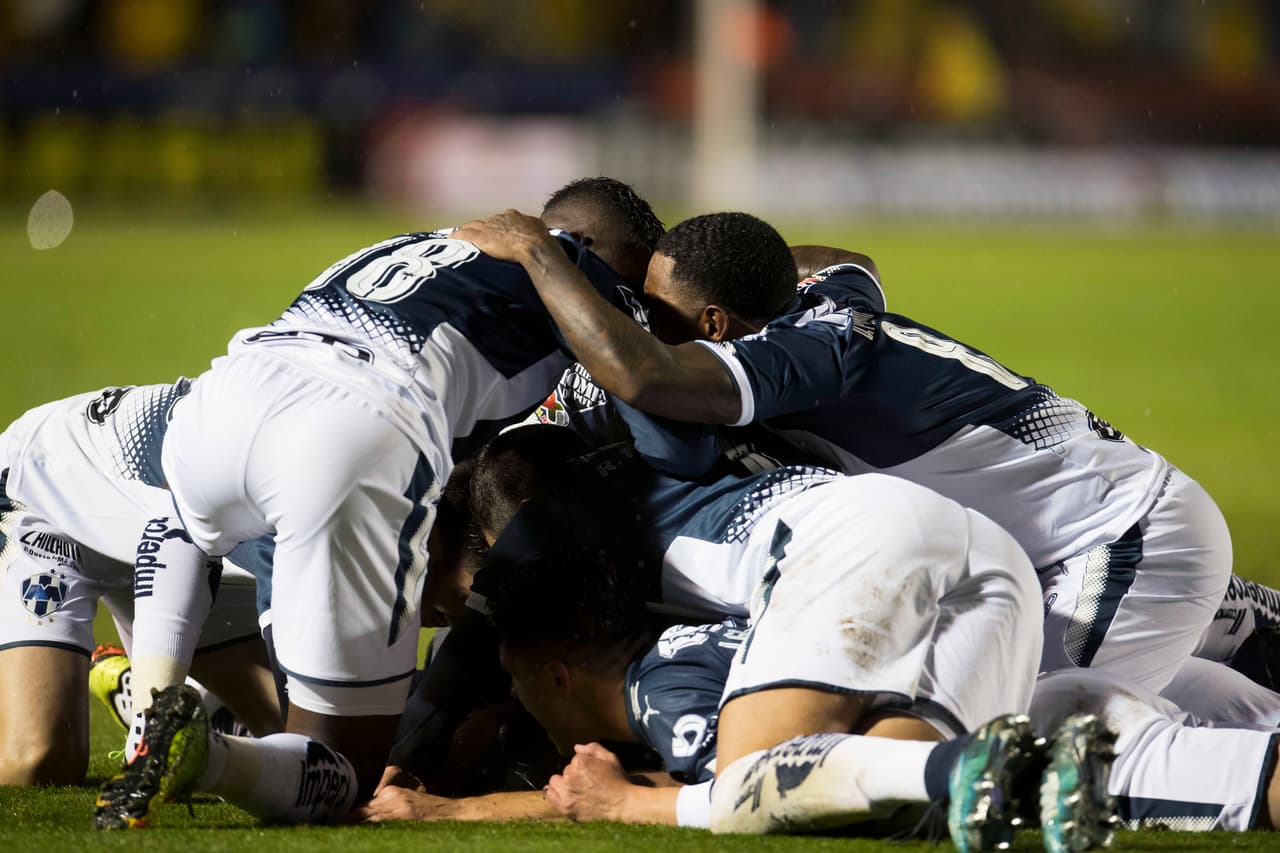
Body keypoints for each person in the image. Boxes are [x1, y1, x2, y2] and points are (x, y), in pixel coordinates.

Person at [454, 209, 1233, 704]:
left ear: (719, 324)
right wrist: (738, 265)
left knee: (1018, 746)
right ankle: (1228, 647)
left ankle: (1235, 662)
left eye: (662, 313)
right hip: (1075, 536)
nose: (651, 325)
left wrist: (539, 254)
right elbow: (850, 255)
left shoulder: (797, 360)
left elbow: (644, 374)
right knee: (975, 705)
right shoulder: (829, 295)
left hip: (1125, 541)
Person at [92, 178, 665, 828]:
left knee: (198, 531)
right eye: (642, 279)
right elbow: (652, 380)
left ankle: (155, 706)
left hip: (224, 398)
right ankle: (208, 755)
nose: (645, 298)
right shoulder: (583, 272)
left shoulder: (428, 242)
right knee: (348, 769)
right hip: (355, 428)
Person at [365, 497, 1115, 853]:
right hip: (983, 568)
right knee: (901, 804)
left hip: (877, 546)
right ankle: (1025, 767)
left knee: (754, 789)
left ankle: (975, 764)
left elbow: (716, 789)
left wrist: (456, 815)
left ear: (559, 676)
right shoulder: (694, 647)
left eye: (517, 681)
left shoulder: (663, 695)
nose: (517, 699)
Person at [0, 381, 280, 785]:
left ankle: (168, 698)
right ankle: (153, 700)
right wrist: (152, 719)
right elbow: (172, 538)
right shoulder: (296, 500)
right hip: (47, 491)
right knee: (37, 761)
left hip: (178, 535)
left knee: (310, 736)